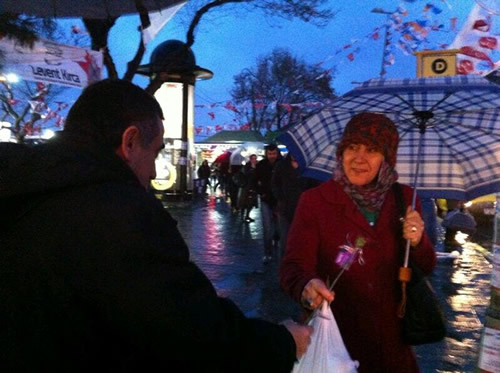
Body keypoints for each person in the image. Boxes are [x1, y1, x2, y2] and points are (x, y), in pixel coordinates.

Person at [0, 79, 313, 372]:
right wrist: (282, 342)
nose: (152, 171)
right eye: (157, 152)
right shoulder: (123, 215)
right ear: (130, 141)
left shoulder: (19, 184)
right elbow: (191, 332)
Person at [280, 112, 436, 373]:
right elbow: (292, 268)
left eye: (372, 150)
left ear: (386, 157)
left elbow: (426, 266)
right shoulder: (315, 201)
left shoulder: (406, 199)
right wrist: (306, 286)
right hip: (334, 345)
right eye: (352, 147)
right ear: (341, 152)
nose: (359, 158)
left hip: (393, 349)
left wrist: (418, 242)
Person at [271, 153, 320, 259]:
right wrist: (281, 197)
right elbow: (275, 184)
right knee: (285, 241)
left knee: (301, 241)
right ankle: (284, 268)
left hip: (303, 210)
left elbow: (314, 185)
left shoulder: (308, 167)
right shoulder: (281, 165)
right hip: (285, 208)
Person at [256, 143, 281, 263]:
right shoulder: (261, 165)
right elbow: (254, 180)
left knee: (278, 226)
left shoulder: (282, 165)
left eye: (274, 153)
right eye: (270, 154)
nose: (272, 156)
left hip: (279, 201)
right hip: (266, 199)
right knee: (267, 227)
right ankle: (267, 252)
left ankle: (276, 240)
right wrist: (261, 192)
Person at [237, 154, 259, 222]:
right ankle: (242, 216)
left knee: (251, 203)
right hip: (246, 186)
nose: (254, 160)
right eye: (253, 158)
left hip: (254, 186)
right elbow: (245, 174)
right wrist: (252, 169)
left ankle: (247, 215)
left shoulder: (258, 166)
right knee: (244, 202)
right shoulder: (247, 166)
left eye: (255, 158)